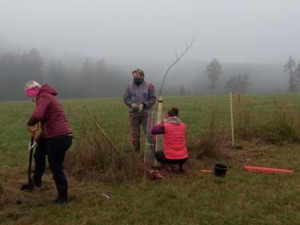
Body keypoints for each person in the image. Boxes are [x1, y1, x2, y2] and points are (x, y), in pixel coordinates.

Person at [24, 81, 73, 204]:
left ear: (36, 89)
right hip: (57, 136)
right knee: (39, 153)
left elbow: (38, 115)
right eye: (28, 94)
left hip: (59, 138)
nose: (30, 96)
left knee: (55, 167)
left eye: (30, 93)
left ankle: (63, 197)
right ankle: (37, 180)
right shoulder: (45, 97)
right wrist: (36, 141)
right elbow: (46, 127)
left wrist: (29, 122)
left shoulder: (44, 96)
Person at [123, 68, 156, 153]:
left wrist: (144, 105)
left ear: (142, 76)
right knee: (135, 135)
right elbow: (126, 98)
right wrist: (131, 104)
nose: (135, 78)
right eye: (134, 76)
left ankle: (152, 153)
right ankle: (136, 154)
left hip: (146, 114)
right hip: (134, 114)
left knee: (149, 133)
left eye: (137, 76)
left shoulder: (149, 85)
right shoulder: (129, 85)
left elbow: (153, 99)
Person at [151, 107, 188, 172]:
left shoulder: (166, 126)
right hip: (184, 158)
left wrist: (160, 124)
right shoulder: (183, 125)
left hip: (170, 158)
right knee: (181, 151)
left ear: (168, 116)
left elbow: (153, 131)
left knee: (157, 154)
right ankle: (181, 167)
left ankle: (166, 166)